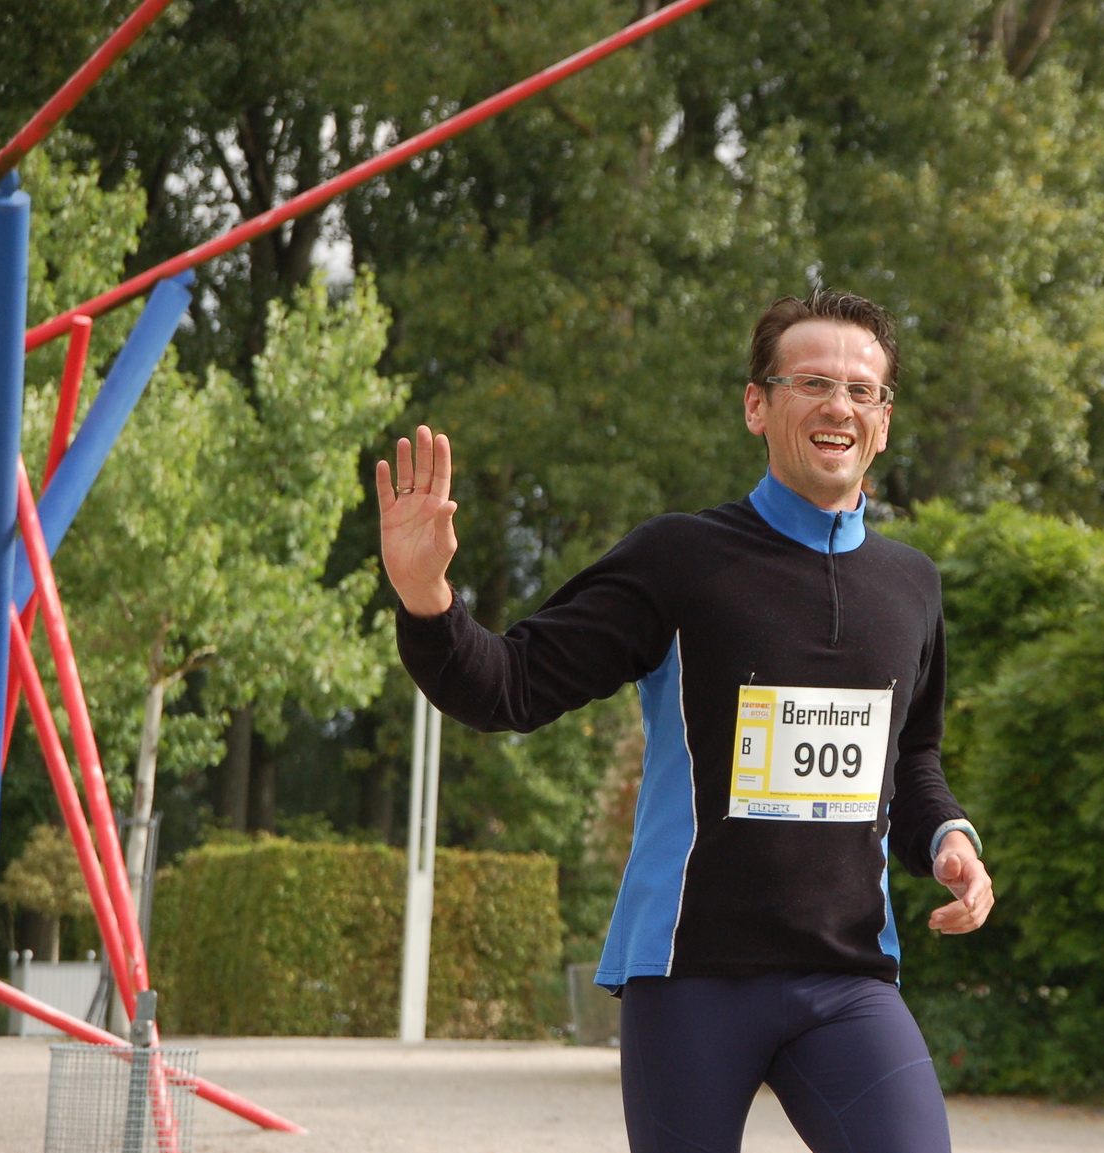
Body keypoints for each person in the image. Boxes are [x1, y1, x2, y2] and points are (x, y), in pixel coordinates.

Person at [378, 289, 994, 1153]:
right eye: (813, 381)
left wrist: (948, 841)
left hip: (847, 978)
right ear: (757, 404)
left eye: (862, 391)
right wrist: (425, 596)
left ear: (884, 422)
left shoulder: (912, 584)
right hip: (690, 973)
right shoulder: (680, 559)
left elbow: (912, 760)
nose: (839, 406)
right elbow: (508, 687)